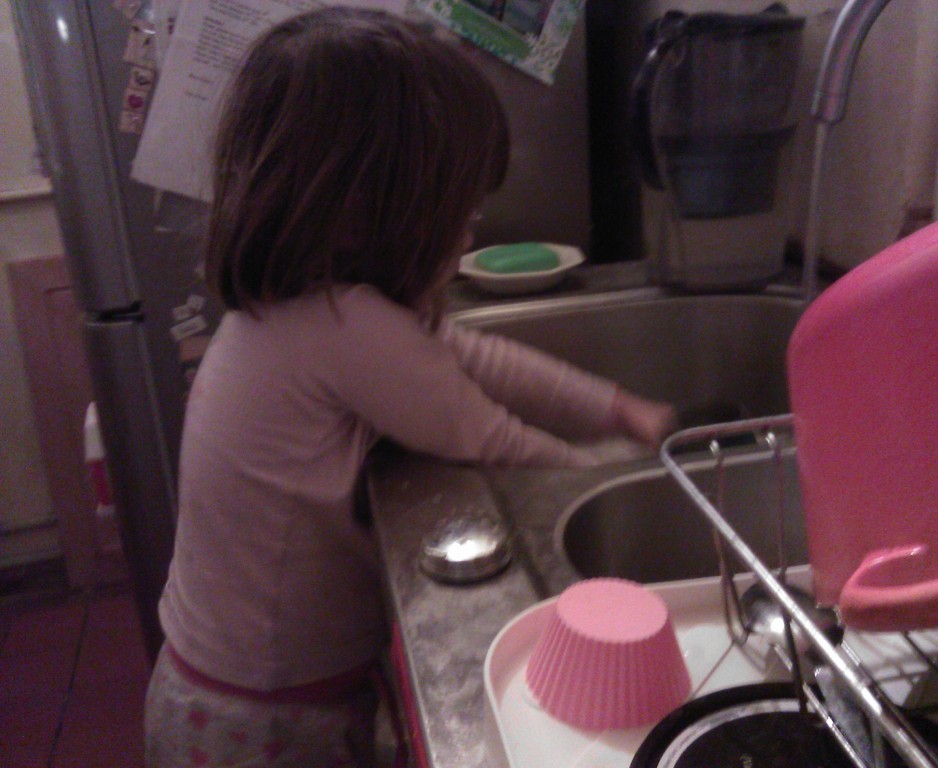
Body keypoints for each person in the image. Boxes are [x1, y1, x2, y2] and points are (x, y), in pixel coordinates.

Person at [144, 8, 677, 767]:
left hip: (227, 690)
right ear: (380, 215)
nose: (469, 231)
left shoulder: (306, 305)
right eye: (460, 214)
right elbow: (483, 433)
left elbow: (470, 358)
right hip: (262, 723)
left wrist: (615, 407)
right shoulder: (342, 323)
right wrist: (618, 472)